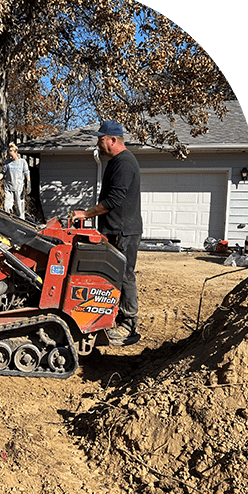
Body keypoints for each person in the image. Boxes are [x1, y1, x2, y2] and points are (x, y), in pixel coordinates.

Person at [71, 120, 142, 347]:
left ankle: (129, 325)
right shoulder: (114, 162)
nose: (98, 144)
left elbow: (114, 200)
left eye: (100, 140)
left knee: (124, 275)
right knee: (111, 276)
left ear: (112, 140)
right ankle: (111, 317)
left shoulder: (125, 163)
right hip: (113, 229)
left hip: (124, 231)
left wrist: (86, 214)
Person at [0, 143, 31, 219]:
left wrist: (29, 183)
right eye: (9, 155)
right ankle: (8, 221)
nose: (11, 157)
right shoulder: (7, 162)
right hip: (9, 188)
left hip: (19, 188)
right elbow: (3, 173)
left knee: (20, 207)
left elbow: (27, 173)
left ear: (16, 153)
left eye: (12, 155)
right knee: (6, 206)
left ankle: (21, 222)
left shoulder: (22, 162)